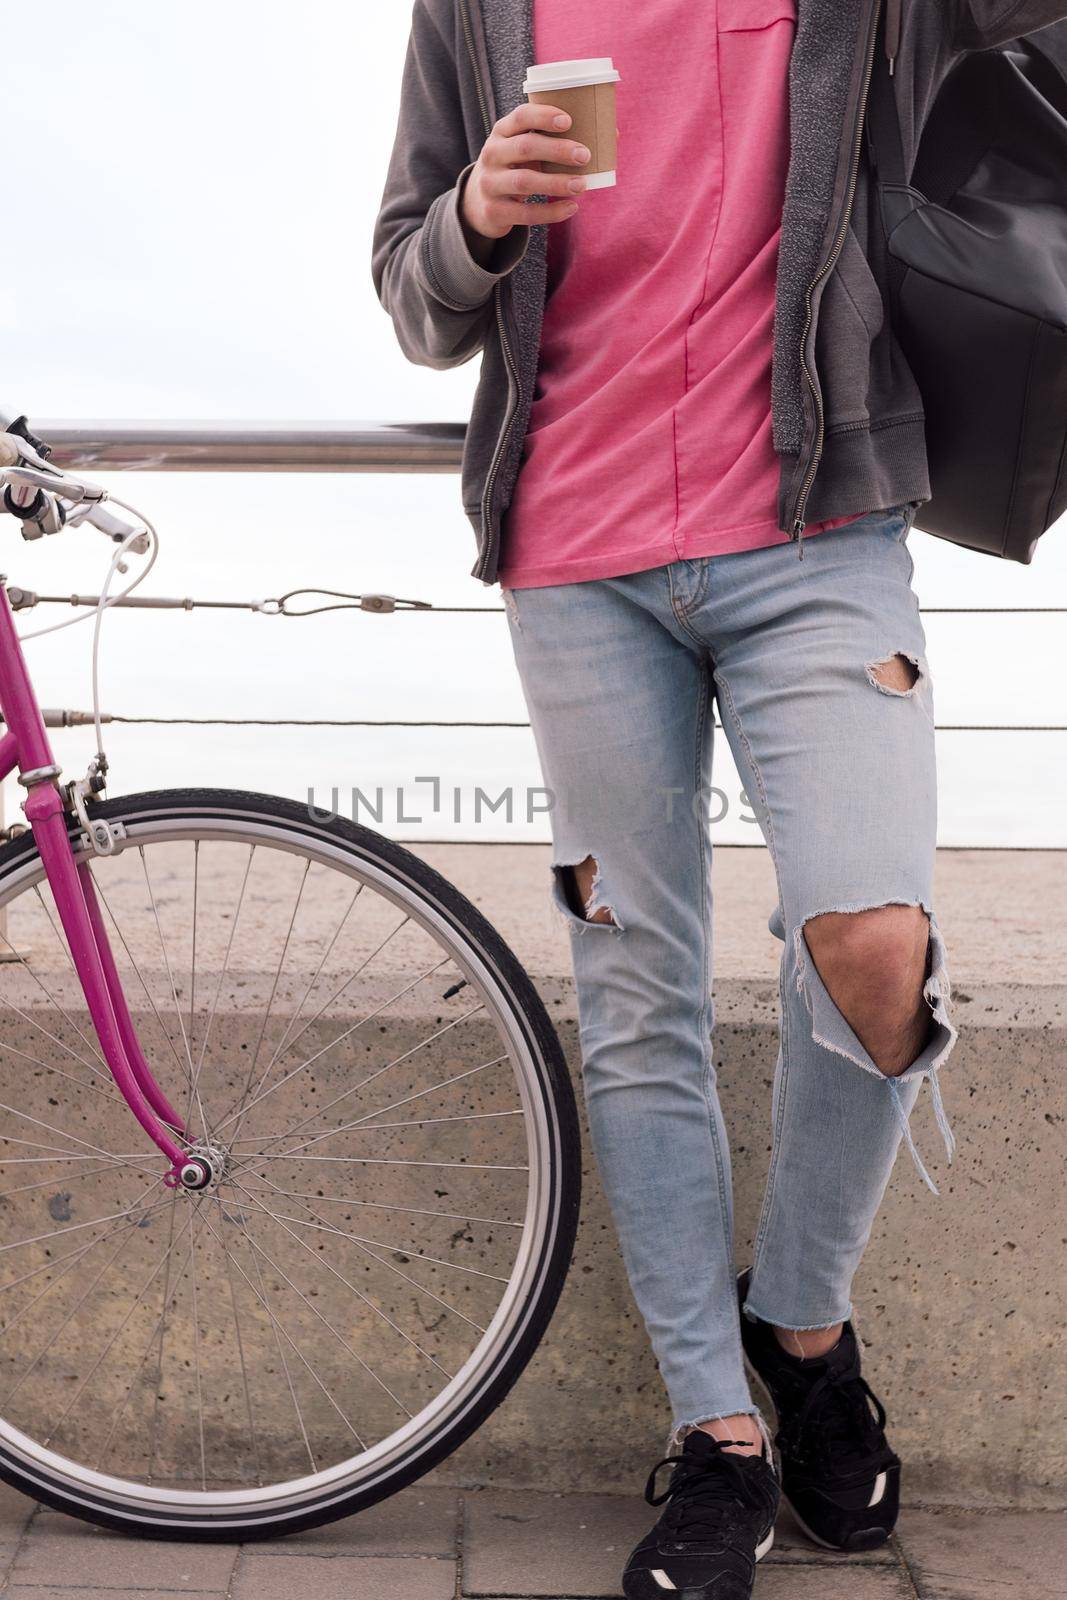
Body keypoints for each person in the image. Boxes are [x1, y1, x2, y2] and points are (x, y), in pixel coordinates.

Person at [372, 3, 1067, 1595]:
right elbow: (411, 297)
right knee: (638, 996)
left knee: (877, 946)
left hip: (821, 529)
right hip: (575, 554)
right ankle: (716, 1437)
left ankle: (801, 1322)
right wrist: (478, 214)